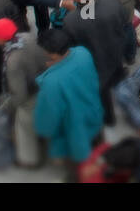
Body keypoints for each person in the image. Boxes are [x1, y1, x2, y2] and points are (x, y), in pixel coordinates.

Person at [34, 28, 105, 179]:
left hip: (74, 129)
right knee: (97, 150)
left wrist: (44, 131)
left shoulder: (52, 82)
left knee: (79, 167)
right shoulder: (82, 53)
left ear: (51, 54)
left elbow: (49, 118)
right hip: (93, 113)